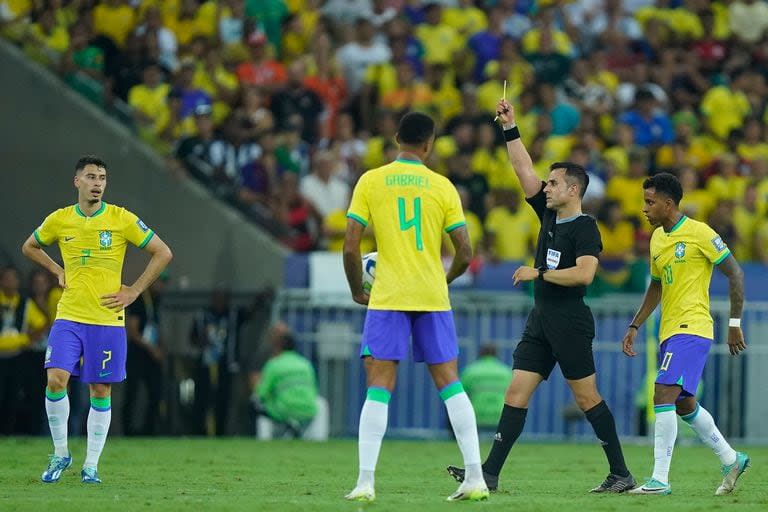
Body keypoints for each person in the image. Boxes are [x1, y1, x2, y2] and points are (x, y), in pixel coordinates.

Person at [448, 99, 635, 493]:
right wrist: (509, 127)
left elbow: (585, 275)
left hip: (569, 324)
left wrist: (540, 273)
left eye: (552, 183)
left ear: (573, 189)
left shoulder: (585, 228)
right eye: (546, 182)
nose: (544, 187)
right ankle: (490, 474)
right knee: (516, 392)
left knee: (587, 399)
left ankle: (620, 473)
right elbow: (521, 167)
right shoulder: (548, 214)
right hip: (541, 322)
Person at [342, 111, 488, 502]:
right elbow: (465, 251)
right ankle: (475, 476)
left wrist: (358, 288)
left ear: (396, 140)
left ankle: (365, 482)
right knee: (451, 384)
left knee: (379, 386)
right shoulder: (441, 186)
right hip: (431, 297)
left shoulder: (371, 181)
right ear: (429, 144)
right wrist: (444, 279)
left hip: (388, 295)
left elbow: (352, 243)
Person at [21, 155, 173, 484]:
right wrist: (57, 269)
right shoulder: (60, 220)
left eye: (102, 177)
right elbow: (30, 246)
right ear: (77, 182)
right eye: (91, 177)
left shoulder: (121, 219)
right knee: (55, 380)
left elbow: (163, 252)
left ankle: (91, 465)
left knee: (100, 389)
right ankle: (61, 453)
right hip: (69, 316)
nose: (98, 183)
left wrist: (134, 290)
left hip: (107, 319)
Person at [622, 172, 750, 496]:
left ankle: (659, 480)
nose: (644, 209)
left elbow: (735, 273)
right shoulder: (656, 239)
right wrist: (635, 325)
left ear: (668, 203)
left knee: (662, 392)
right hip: (669, 330)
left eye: (650, 203)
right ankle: (731, 458)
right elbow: (656, 285)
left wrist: (734, 324)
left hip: (692, 327)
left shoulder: (700, 233)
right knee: (683, 403)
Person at [253, 322, 324, 440]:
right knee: (321, 404)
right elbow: (314, 390)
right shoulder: (305, 364)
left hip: (283, 411)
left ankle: (266, 439)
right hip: (308, 410)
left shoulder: (273, 364)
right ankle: (317, 439)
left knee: (259, 406)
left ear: (276, 346)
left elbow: (261, 394)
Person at [122, 272, 169, 436]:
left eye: (164, 283)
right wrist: (152, 349)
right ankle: (127, 431)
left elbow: (156, 327)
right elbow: (133, 332)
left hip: (152, 355)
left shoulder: (157, 301)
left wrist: (161, 348)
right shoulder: (140, 300)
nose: (162, 286)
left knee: (156, 392)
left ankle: (149, 430)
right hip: (138, 353)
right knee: (132, 393)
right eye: (160, 282)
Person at [460, 344, 512, 430]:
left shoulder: (470, 371)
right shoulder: (506, 372)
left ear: (480, 354)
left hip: (476, 415)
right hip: (500, 415)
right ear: (496, 355)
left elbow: (460, 394)